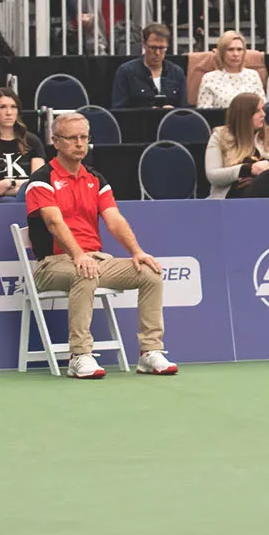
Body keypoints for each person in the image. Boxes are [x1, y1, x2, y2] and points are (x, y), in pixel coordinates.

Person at [24, 112, 178, 377]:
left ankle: (149, 352)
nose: (79, 144)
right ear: (56, 141)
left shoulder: (95, 179)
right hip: (52, 265)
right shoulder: (41, 179)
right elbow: (54, 222)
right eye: (72, 138)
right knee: (85, 272)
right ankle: (80, 355)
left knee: (150, 272)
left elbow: (114, 220)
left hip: (95, 260)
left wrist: (137, 252)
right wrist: (78, 255)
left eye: (84, 137)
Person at [204, 92, 269, 199]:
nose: (263, 114)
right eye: (257, 111)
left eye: (263, 109)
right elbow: (213, 176)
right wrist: (247, 169)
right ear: (244, 115)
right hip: (233, 195)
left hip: (268, 190)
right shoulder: (219, 136)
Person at [0, 90, 44, 200]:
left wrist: (9, 183)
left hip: (28, 199)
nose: (9, 112)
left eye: (13, 107)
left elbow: (38, 183)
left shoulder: (32, 141)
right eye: (2, 107)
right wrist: (18, 188)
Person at [111, 23, 187, 110]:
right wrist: (146, 112)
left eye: (162, 48)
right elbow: (118, 110)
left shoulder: (177, 72)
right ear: (144, 44)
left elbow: (184, 109)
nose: (157, 53)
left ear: (167, 47)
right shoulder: (126, 72)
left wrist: (173, 111)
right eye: (153, 48)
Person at [196, 31, 264, 110]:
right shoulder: (209, 78)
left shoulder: (253, 75)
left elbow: (262, 107)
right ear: (222, 52)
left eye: (239, 49)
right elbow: (205, 113)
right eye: (230, 49)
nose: (235, 54)